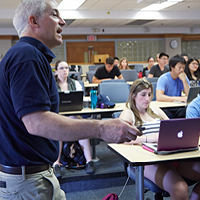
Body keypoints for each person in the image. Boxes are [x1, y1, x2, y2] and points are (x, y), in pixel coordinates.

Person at [0, 1, 141, 199]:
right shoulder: (27, 56)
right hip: (28, 183)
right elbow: (37, 123)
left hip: (34, 177)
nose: (63, 21)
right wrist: (101, 128)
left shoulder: (27, 55)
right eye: (55, 14)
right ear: (34, 21)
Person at [119, 78, 200, 200]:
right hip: (148, 161)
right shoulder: (129, 113)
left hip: (170, 154)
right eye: (143, 95)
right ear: (133, 95)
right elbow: (121, 137)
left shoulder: (156, 110)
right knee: (180, 188)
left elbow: (174, 129)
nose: (147, 98)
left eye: (149, 94)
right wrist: (148, 138)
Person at [53, 60, 95, 175]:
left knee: (80, 125)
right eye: (61, 68)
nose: (65, 70)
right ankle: (56, 163)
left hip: (74, 117)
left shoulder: (75, 84)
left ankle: (89, 161)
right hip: (57, 119)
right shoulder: (51, 85)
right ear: (56, 71)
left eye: (66, 68)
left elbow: (80, 102)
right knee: (60, 127)